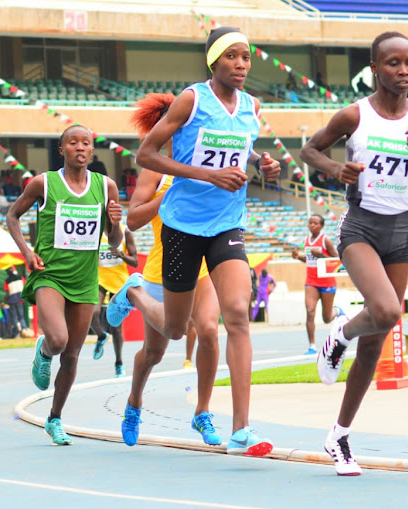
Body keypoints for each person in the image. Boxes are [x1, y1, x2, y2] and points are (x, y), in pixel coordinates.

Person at [107, 28, 281, 456]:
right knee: (171, 328)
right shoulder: (191, 100)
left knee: (235, 316)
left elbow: (241, 150)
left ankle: (241, 429)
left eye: (247, 58)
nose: (241, 65)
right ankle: (132, 291)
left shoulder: (252, 107)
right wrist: (207, 175)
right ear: (214, 61)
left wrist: (263, 164)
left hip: (226, 224)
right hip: (182, 229)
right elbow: (144, 155)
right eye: (233, 57)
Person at [300, 31, 408, 476]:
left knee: (374, 345)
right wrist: (336, 168)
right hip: (361, 229)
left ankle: (339, 435)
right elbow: (309, 149)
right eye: (393, 63)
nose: (404, 71)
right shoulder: (355, 115)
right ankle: (337, 334)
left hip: (400, 234)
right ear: (374, 68)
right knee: (386, 312)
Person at [6, 124, 123, 445]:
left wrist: (115, 222)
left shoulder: (106, 186)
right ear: (62, 150)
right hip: (50, 274)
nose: (80, 148)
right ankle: (43, 351)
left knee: (72, 355)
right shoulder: (44, 183)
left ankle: (55, 418)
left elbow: (114, 243)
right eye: (73, 143)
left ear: (92, 150)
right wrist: (27, 252)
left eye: (86, 143)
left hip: (85, 279)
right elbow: (12, 216)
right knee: (58, 341)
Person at [91, 226, 138, 377]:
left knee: (116, 326)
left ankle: (119, 362)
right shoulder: (95, 231)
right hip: (101, 280)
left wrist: (121, 255)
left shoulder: (125, 232)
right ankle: (101, 336)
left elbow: (135, 261)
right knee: (93, 313)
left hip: (119, 282)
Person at [291, 213, 341, 354]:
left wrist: (320, 255)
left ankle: (337, 311)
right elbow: (309, 261)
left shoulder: (325, 240)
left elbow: (337, 260)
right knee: (310, 311)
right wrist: (297, 257)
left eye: (315, 223)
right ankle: (312, 346)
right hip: (311, 281)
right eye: (310, 222)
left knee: (326, 318)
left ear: (321, 226)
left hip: (327, 281)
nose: (312, 225)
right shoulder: (306, 240)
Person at [4, 266, 31, 337]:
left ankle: (16, 333)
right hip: (20, 300)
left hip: (12, 301)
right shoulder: (20, 277)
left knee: (14, 317)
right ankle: (24, 329)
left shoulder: (7, 281)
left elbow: (7, 293)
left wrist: (4, 301)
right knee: (21, 316)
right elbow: (25, 286)